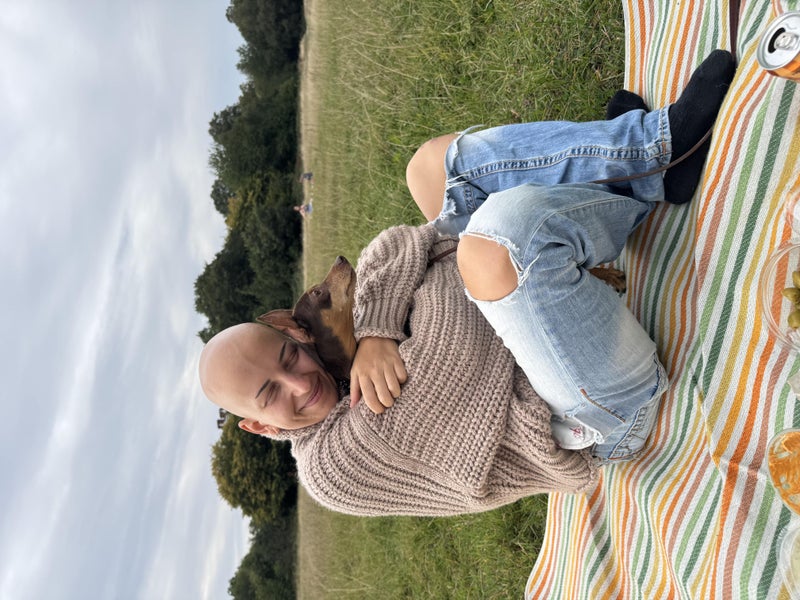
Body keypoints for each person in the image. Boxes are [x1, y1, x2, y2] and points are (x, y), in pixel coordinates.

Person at [199, 50, 735, 517]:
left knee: (428, 170)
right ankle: (622, 178)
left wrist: (382, 327)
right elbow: (458, 349)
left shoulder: (341, 345)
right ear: (259, 427)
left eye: (288, 357)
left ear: (291, 333)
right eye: (271, 394)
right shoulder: (331, 467)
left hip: (543, 335)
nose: (298, 383)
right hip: (597, 413)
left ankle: (647, 155)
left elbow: (394, 242)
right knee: (490, 246)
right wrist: (425, 275)